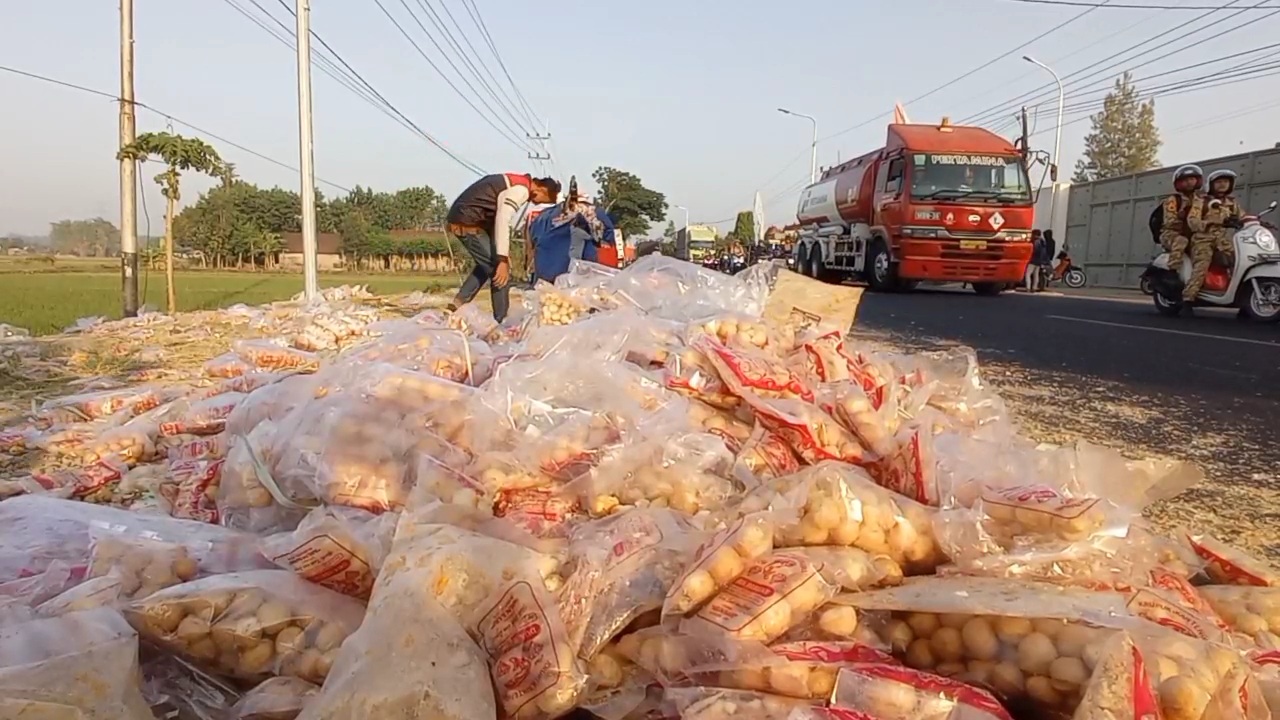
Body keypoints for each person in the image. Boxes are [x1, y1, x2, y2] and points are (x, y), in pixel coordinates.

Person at [446, 173, 561, 321]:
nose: (536, 203)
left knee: (486, 265)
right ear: (541, 190)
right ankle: (502, 321)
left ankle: (456, 304)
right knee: (500, 273)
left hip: (467, 219)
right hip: (468, 222)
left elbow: (496, 219)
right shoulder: (520, 190)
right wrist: (502, 259)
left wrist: (502, 254)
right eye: (541, 200)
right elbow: (503, 219)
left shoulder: (516, 183)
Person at [1158, 165, 1206, 308]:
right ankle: (1172, 273)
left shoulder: (1202, 199)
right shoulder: (1173, 200)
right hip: (1172, 233)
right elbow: (1169, 221)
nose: (1189, 182)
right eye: (1185, 180)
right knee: (1181, 240)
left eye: (1192, 179)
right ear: (1179, 183)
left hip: (1195, 234)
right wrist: (1181, 216)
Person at [1200, 169, 1243, 272]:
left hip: (1225, 241)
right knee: (1201, 267)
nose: (1223, 184)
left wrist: (1258, 222)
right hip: (1204, 240)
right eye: (1219, 182)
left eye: (1226, 182)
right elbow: (1193, 222)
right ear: (1211, 184)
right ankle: (1193, 283)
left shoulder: (1232, 203)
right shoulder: (1202, 202)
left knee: (1240, 262)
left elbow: (1243, 216)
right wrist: (1214, 222)